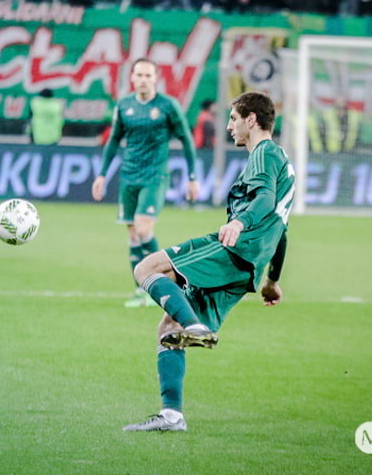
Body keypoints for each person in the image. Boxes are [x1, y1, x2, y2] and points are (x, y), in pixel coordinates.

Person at [122, 91, 294, 432]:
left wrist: (239, 222)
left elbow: (264, 199)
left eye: (233, 119)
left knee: (146, 268)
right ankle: (172, 416)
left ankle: (196, 327)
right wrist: (272, 280)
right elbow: (282, 229)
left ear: (251, 120)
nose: (229, 126)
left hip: (235, 247)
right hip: (252, 265)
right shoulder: (281, 161)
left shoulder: (263, 153)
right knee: (168, 327)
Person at [92, 59, 199, 308]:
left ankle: (164, 281)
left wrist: (192, 177)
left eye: (148, 75)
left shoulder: (167, 106)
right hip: (129, 176)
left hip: (155, 176)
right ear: (132, 78)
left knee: (142, 229)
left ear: (155, 78)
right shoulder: (124, 105)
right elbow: (114, 140)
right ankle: (140, 290)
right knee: (132, 234)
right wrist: (102, 174)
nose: (143, 79)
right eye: (138, 74)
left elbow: (186, 140)